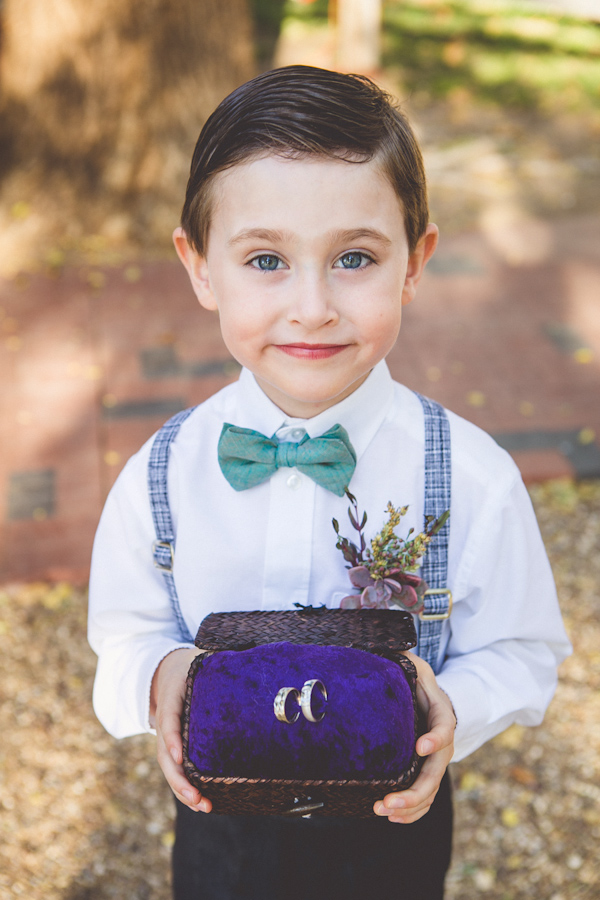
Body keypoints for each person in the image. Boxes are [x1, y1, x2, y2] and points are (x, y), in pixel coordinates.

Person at [88, 66, 570, 900]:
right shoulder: (159, 476)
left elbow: (524, 653)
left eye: (354, 258)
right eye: (266, 259)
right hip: (220, 832)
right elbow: (122, 637)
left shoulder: (472, 476)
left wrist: (452, 707)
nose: (312, 307)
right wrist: (160, 677)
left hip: (392, 830)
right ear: (200, 266)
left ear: (415, 262)